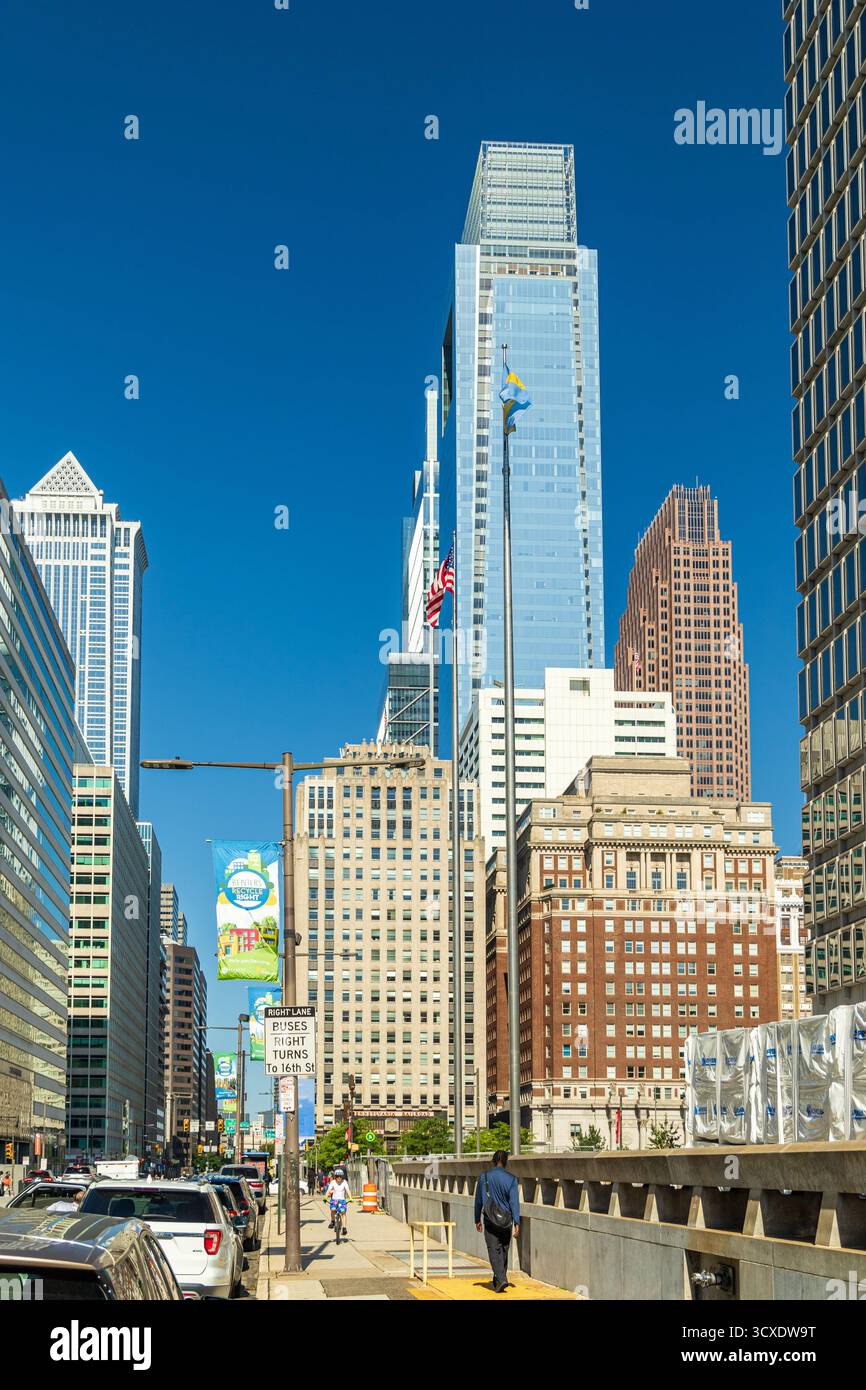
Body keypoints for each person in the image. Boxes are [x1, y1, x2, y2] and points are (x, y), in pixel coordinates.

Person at [474, 1150, 520, 1293]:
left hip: (489, 1219)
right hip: (506, 1220)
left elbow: (478, 1201)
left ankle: (501, 1279)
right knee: (504, 1250)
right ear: (506, 1161)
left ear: (493, 1161)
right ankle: (500, 1279)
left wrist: (477, 1219)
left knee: (493, 1250)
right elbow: (514, 1203)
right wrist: (517, 1222)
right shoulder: (512, 1179)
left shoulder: (484, 1177)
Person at [325, 1165, 351, 1238]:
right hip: (334, 1200)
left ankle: (344, 1228)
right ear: (335, 1177)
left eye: (340, 1177)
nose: (339, 1178)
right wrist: (325, 1197)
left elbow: (348, 1191)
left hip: (342, 1200)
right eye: (337, 1176)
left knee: (343, 1212)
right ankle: (333, 1221)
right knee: (333, 1209)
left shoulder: (344, 1182)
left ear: (342, 1177)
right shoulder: (333, 1182)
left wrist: (351, 1198)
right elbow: (328, 1190)